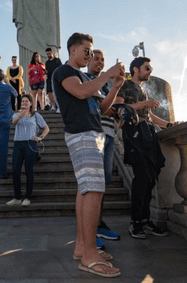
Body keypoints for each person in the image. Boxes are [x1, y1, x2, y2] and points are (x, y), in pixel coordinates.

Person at [52, 32, 124, 278]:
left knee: (86, 189)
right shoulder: (63, 72)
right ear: (73, 50)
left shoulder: (85, 76)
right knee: (93, 189)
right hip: (81, 134)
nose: (90, 55)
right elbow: (81, 93)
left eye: (91, 52)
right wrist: (107, 74)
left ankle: (82, 246)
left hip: (93, 133)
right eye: (87, 51)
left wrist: (114, 86)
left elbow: (103, 108)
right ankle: (90, 255)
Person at [115, 57, 170, 239]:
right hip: (134, 132)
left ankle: (145, 221)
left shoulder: (141, 90)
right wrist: (144, 104)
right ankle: (136, 222)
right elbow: (119, 108)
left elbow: (150, 116)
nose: (150, 70)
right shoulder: (125, 86)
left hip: (148, 133)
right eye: (147, 67)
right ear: (135, 69)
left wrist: (168, 125)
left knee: (151, 177)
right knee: (141, 178)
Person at [85, 50, 120, 241]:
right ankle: (89, 230)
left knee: (103, 182)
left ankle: (98, 224)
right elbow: (97, 108)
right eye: (96, 59)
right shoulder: (85, 79)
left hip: (109, 134)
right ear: (88, 61)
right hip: (94, 135)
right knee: (92, 182)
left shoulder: (105, 86)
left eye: (102, 60)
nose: (100, 62)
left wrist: (115, 110)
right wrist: (108, 107)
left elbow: (108, 106)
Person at [7, 94, 49, 206]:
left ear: (30, 103)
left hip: (30, 143)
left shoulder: (36, 115)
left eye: (26, 101)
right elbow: (13, 122)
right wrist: (19, 116)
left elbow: (46, 128)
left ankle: (27, 197)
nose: (24, 103)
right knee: (15, 170)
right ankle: (17, 197)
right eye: (23, 101)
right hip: (18, 143)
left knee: (28, 170)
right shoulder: (16, 114)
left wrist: (41, 137)